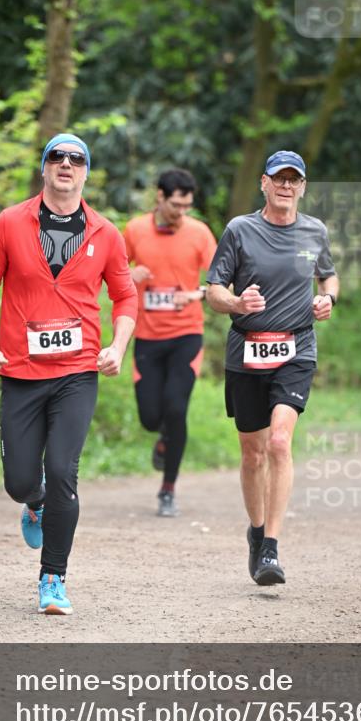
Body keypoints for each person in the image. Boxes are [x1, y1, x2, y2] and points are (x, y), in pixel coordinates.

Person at [0, 133, 137, 615]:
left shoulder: (106, 233)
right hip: (20, 372)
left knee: (64, 471)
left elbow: (125, 296)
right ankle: (34, 500)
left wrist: (117, 347)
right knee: (20, 481)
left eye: (76, 159)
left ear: (86, 172)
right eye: (56, 157)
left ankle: (53, 578)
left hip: (77, 372)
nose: (66, 164)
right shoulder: (9, 223)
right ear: (44, 168)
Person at [206, 150, 338, 586]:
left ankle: (271, 549)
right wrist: (236, 302)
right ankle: (257, 530)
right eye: (278, 178)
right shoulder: (240, 230)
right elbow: (213, 291)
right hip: (247, 350)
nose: (285, 186)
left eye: (293, 179)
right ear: (263, 183)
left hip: (296, 349)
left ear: (302, 187)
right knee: (253, 453)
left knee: (279, 442)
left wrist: (328, 298)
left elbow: (329, 275)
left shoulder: (314, 231)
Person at [123, 169, 217, 516]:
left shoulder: (199, 233)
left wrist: (196, 294)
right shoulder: (135, 230)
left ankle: (168, 490)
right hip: (147, 337)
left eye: (187, 206)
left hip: (186, 335)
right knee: (150, 418)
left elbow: (224, 281)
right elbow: (109, 271)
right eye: (176, 205)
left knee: (176, 409)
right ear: (159, 197)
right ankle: (162, 437)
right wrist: (128, 274)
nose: (182, 212)